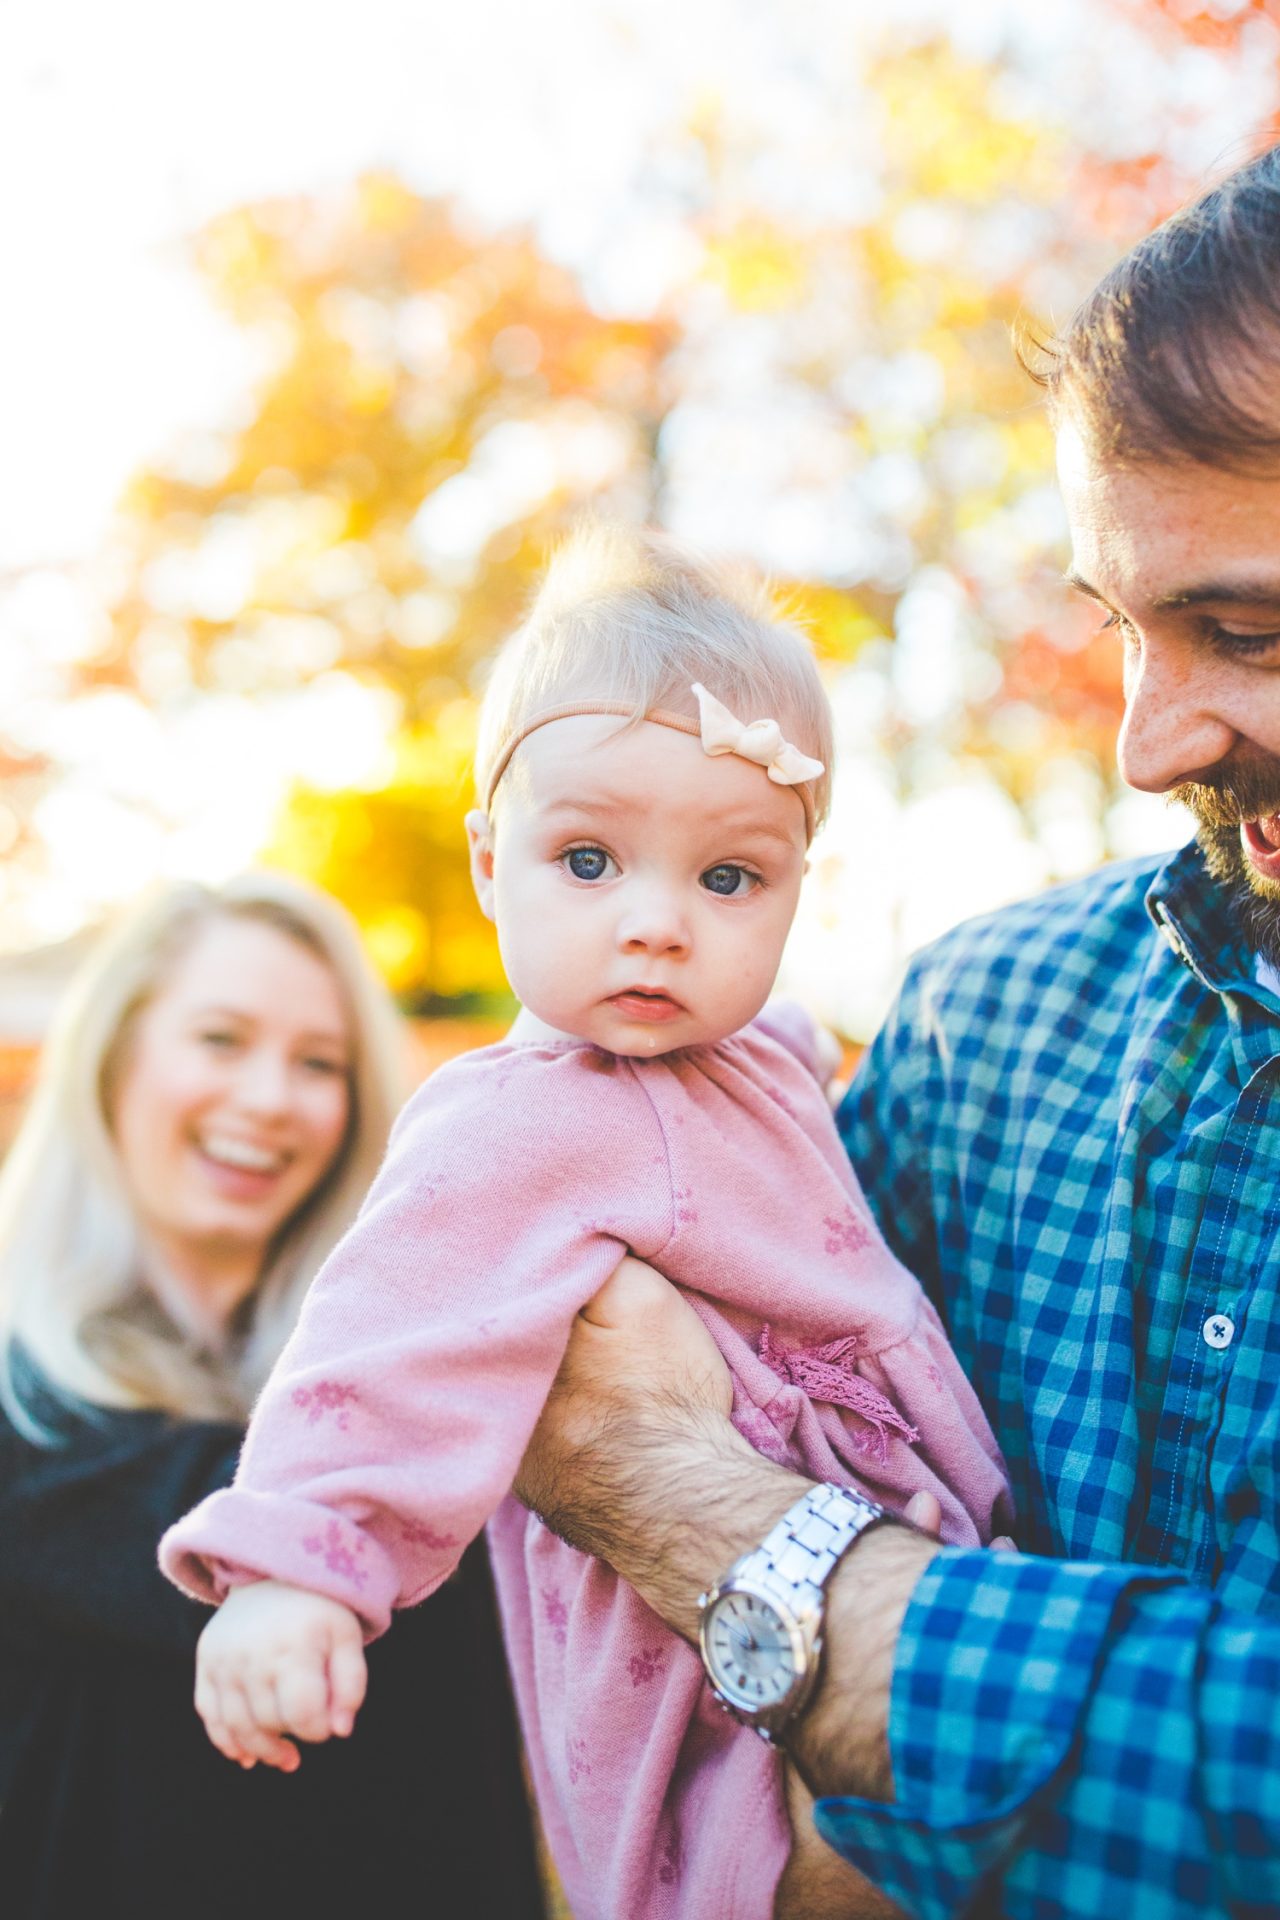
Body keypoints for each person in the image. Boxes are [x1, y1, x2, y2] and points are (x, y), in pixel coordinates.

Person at [511, 144, 1280, 1920]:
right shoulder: (981, 1023)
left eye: (1242, 628)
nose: (1147, 743)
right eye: (1124, 627)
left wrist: (713, 1529)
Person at [161, 528, 1012, 1920]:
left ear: (800, 886)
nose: (657, 924)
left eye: (727, 879)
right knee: (762, 1860)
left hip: (878, 1553)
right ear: (492, 865)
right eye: (590, 860)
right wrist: (293, 1572)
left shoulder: (770, 1060)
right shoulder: (519, 1116)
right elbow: (391, 1338)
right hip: (695, 1633)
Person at [0, 873, 546, 1920]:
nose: (267, 1098)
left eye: (317, 1063)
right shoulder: (30, 1413)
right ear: (115, 1059)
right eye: (220, 1039)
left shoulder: (413, 1398)